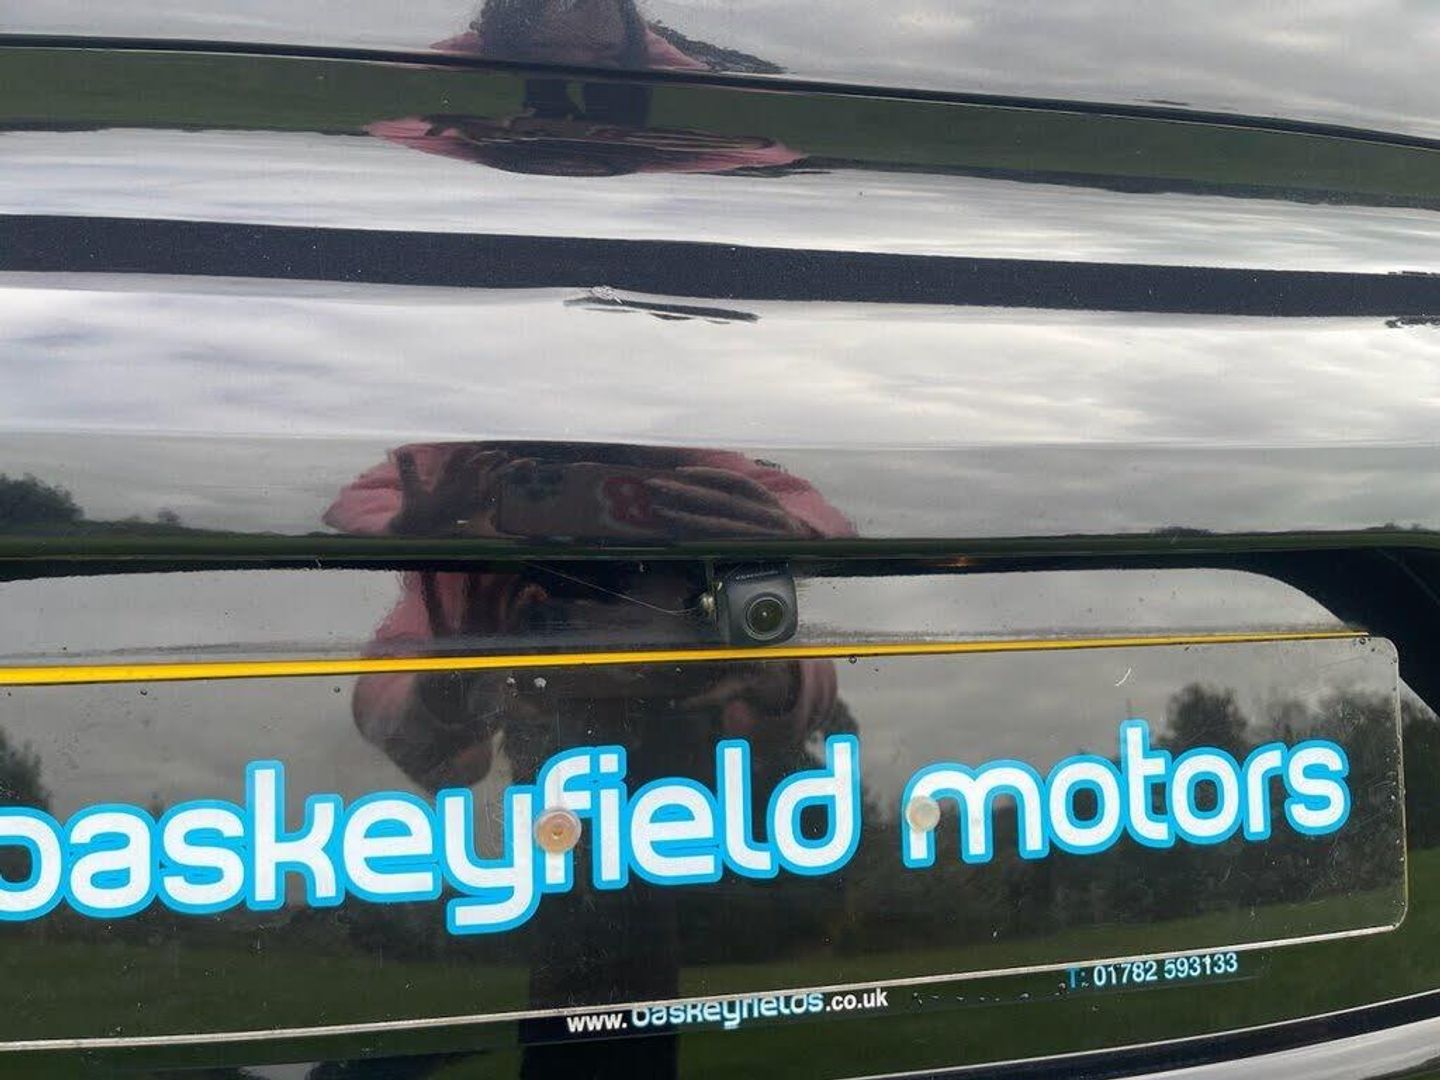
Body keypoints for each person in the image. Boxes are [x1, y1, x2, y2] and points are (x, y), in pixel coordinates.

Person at [324, 442, 856, 1078]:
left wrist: (772, 590)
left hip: (661, 823)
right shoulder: (445, 481)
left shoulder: (709, 465)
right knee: (587, 983)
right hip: (588, 823)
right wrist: (441, 564)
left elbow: (818, 556)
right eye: (543, 484)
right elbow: (389, 698)